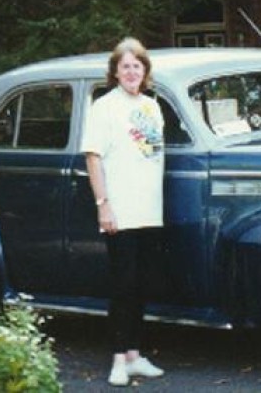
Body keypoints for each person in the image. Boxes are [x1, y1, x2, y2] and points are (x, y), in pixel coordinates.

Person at [80, 37, 166, 387]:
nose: (132, 72)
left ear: (144, 71)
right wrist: (104, 206)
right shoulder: (104, 106)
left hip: (149, 208)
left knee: (142, 284)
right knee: (123, 285)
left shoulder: (152, 106)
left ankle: (135, 354)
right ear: (115, 72)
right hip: (120, 209)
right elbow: (93, 157)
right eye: (125, 66)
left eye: (137, 66)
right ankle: (118, 359)